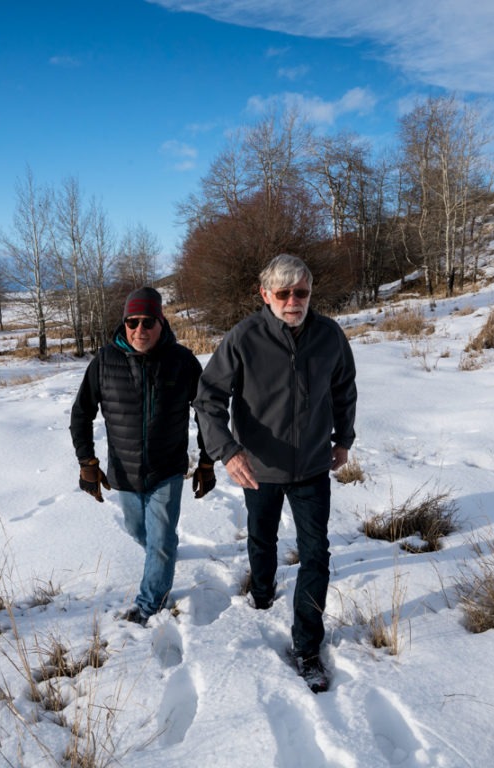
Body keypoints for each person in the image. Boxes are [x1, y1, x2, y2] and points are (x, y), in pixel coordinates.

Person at [193, 254, 356, 693]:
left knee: (315, 553)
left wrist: (344, 438)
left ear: (310, 294)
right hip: (259, 467)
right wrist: (227, 452)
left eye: (300, 293)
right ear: (265, 295)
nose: (292, 301)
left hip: (312, 468)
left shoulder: (329, 335)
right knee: (261, 536)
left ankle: (307, 646)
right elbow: (208, 400)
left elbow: (344, 388)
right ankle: (262, 592)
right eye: (282, 293)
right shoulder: (243, 338)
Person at [70, 287, 215, 626]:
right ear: (124, 324)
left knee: (161, 540)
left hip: (167, 469)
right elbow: (81, 413)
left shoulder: (182, 362)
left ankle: (149, 604)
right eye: (132, 322)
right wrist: (87, 462)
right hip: (124, 472)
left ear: (161, 322)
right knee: (141, 533)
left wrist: (207, 461)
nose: (139, 330)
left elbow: (206, 413)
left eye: (147, 322)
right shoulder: (104, 362)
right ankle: (161, 555)